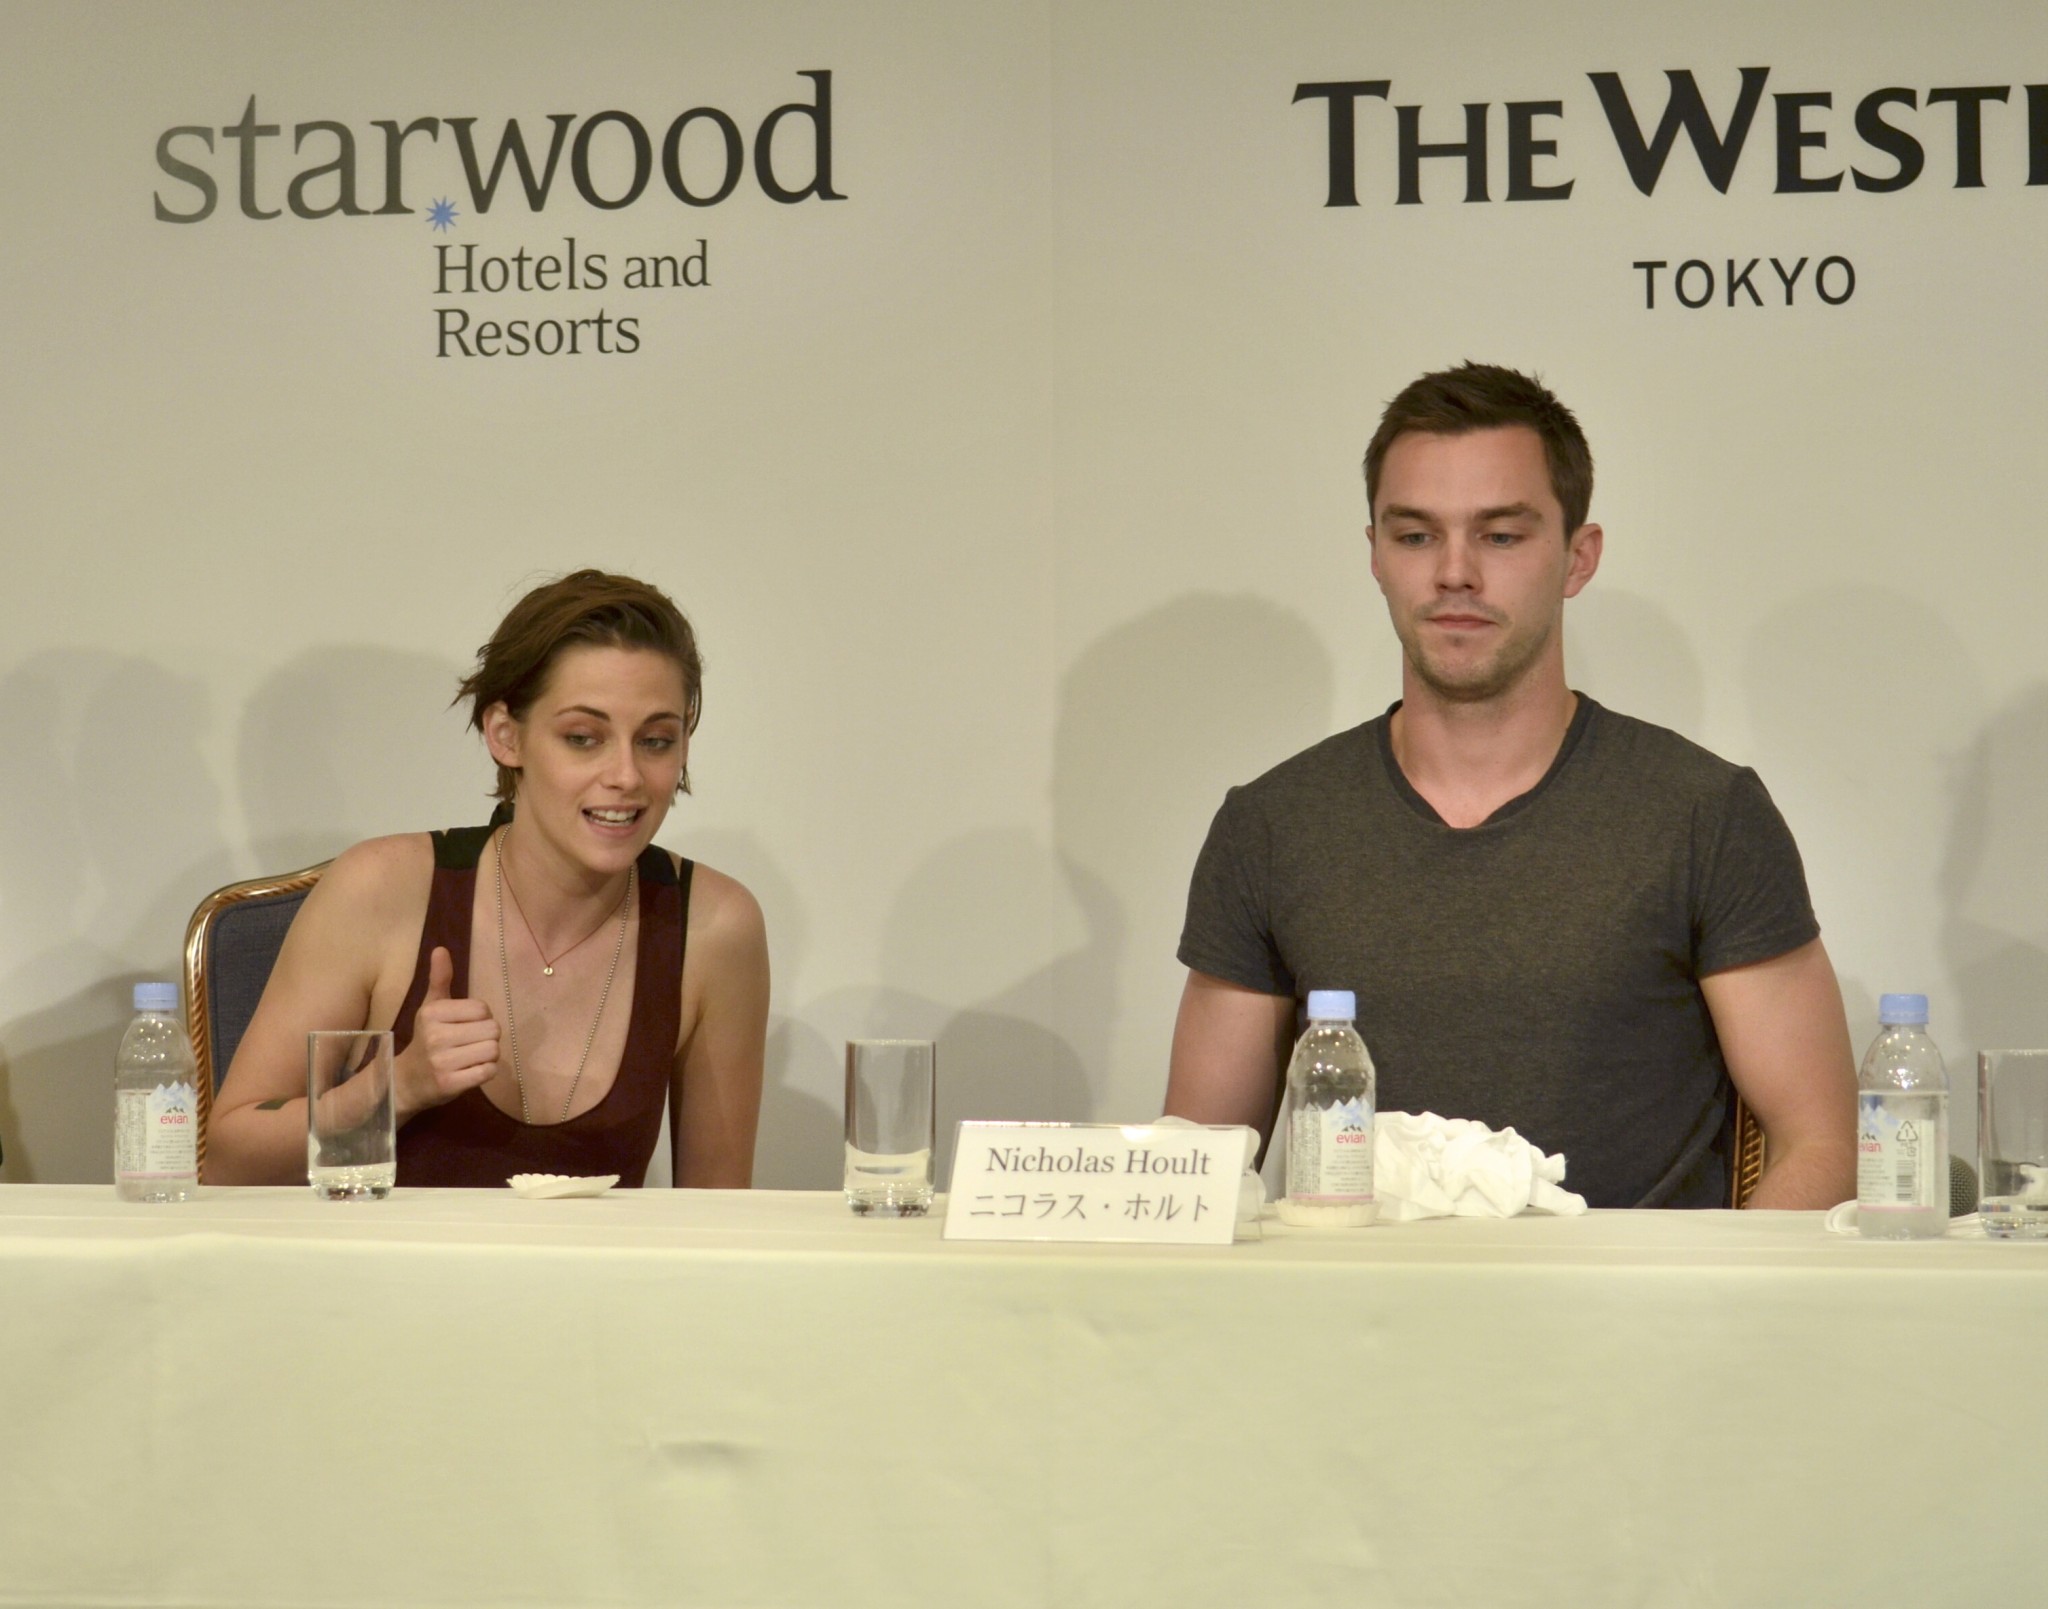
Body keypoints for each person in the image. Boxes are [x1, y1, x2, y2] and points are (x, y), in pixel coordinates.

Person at [1164, 364, 1855, 1209]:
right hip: (1356, 1293)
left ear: (1578, 557)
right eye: (1415, 536)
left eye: (1499, 536)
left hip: (1634, 1293)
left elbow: (1822, 1147)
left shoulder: (1705, 814)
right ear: (1375, 554)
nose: (1454, 572)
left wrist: (1705, 1293)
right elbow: (1194, 1173)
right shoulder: (1272, 826)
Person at [207, 570, 768, 1187]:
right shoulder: (379, 888)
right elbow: (230, 1160)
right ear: (506, 736)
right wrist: (398, 1086)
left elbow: (719, 1213)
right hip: (385, 1254)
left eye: (656, 741)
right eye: (583, 738)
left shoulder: (717, 926)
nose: (626, 776)